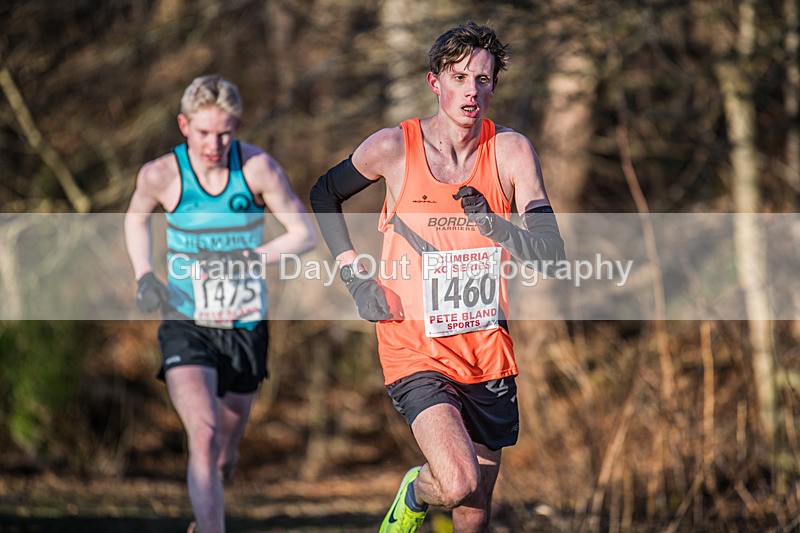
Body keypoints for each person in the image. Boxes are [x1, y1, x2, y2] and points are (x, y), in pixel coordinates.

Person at [310, 21, 565, 532]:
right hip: (415, 348)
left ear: (495, 85)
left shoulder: (512, 152)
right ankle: (414, 493)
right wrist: (355, 277)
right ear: (435, 82)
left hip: (486, 351)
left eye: (484, 80)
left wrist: (494, 224)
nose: (472, 91)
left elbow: (550, 254)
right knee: (454, 481)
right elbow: (323, 194)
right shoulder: (394, 148)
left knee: (472, 516)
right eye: (460, 77)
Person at [124, 75, 317, 533]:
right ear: (183, 125)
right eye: (204, 132)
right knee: (204, 435)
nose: (215, 144)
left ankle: (206, 510)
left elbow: (304, 234)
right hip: (186, 321)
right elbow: (135, 220)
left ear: (236, 127)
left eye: (225, 132)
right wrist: (144, 275)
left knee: (225, 453)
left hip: (246, 326)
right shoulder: (161, 174)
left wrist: (247, 259)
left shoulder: (256, 169)